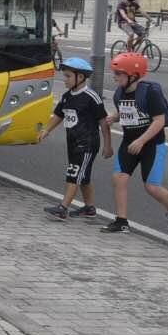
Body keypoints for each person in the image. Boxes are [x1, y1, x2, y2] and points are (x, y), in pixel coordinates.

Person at [102, 52, 168, 235]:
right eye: (114, 73)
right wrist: (114, 117)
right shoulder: (119, 93)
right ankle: (121, 221)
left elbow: (159, 121)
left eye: (118, 74)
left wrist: (141, 140)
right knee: (119, 178)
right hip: (129, 142)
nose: (114, 77)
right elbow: (127, 112)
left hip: (152, 144)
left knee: (152, 187)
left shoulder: (150, 93)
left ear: (133, 75)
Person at [39, 57, 107, 220]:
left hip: (87, 143)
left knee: (73, 174)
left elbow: (103, 122)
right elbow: (58, 115)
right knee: (83, 177)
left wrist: (108, 145)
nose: (65, 79)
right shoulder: (67, 97)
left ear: (80, 77)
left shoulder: (91, 97)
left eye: (68, 76)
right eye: (64, 75)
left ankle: (63, 208)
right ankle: (89, 208)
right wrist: (46, 130)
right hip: (73, 142)